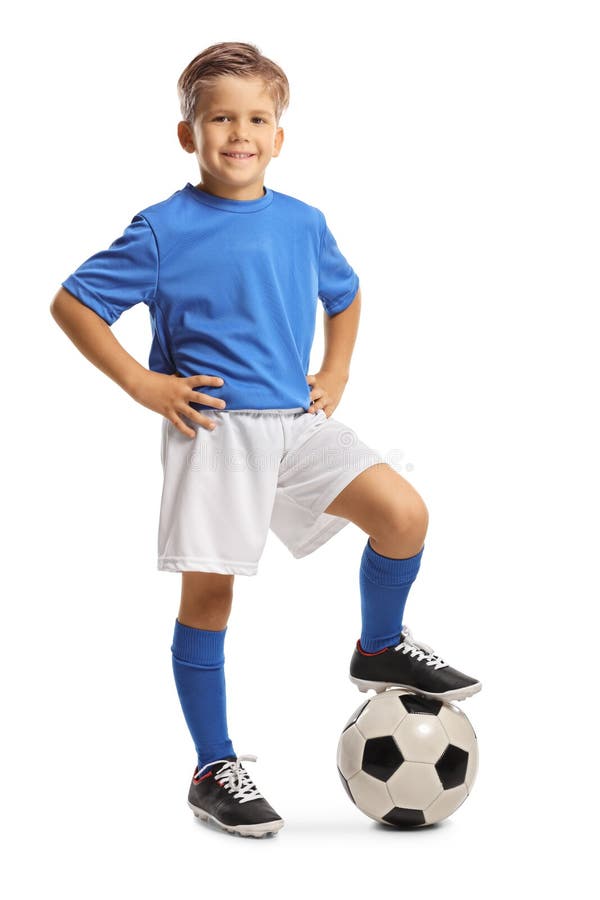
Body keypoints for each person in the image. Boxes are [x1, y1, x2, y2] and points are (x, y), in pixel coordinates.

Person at [50, 41, 482, 839]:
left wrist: (337, 369)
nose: (239, 133)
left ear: (279, 136)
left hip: (296, 423)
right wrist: (142, 384)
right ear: (189, 134)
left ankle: (380, 643)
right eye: (220, 118)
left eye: (257, 119)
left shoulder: (303, 222)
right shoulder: (160, 230)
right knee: (211, 599)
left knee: (403, 514)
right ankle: (215, 764)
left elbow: (345, 296)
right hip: (213, 434)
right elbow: (74, 304)